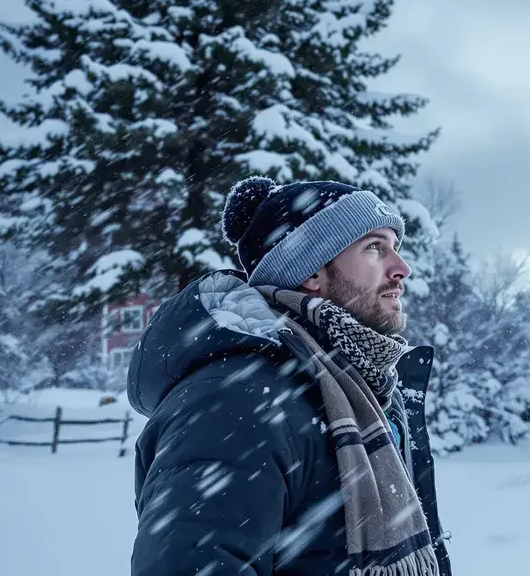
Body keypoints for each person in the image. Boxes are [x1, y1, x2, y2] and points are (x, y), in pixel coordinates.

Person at [127, 176, 452, 576]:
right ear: (312, 272)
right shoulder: (236, 400)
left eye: (396, 249)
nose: (402, 268)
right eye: (374, 248)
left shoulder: (369, 390)